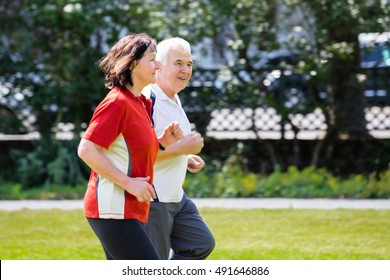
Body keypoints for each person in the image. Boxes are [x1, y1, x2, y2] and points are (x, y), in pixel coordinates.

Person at [77, 33, 183, 260]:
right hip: (113, 210)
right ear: (133, 64)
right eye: (152, 59)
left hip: (130, 209)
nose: (158, 65)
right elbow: (87, 149)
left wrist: (162, 143)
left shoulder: (139, 102)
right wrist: (127, 183)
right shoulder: (117, 102)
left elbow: (131, 153)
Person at [142, 37, 215, 260]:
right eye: (179, 63)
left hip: (176, 196)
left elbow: (166, 145)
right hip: (155, 199)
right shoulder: (147, 100)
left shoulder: (174, 98)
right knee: (154, 263)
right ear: (158, 65)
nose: (185, 70)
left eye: (189, 64)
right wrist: (182, 149)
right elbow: (139, 158)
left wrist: (186, 156)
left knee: (200, 244)